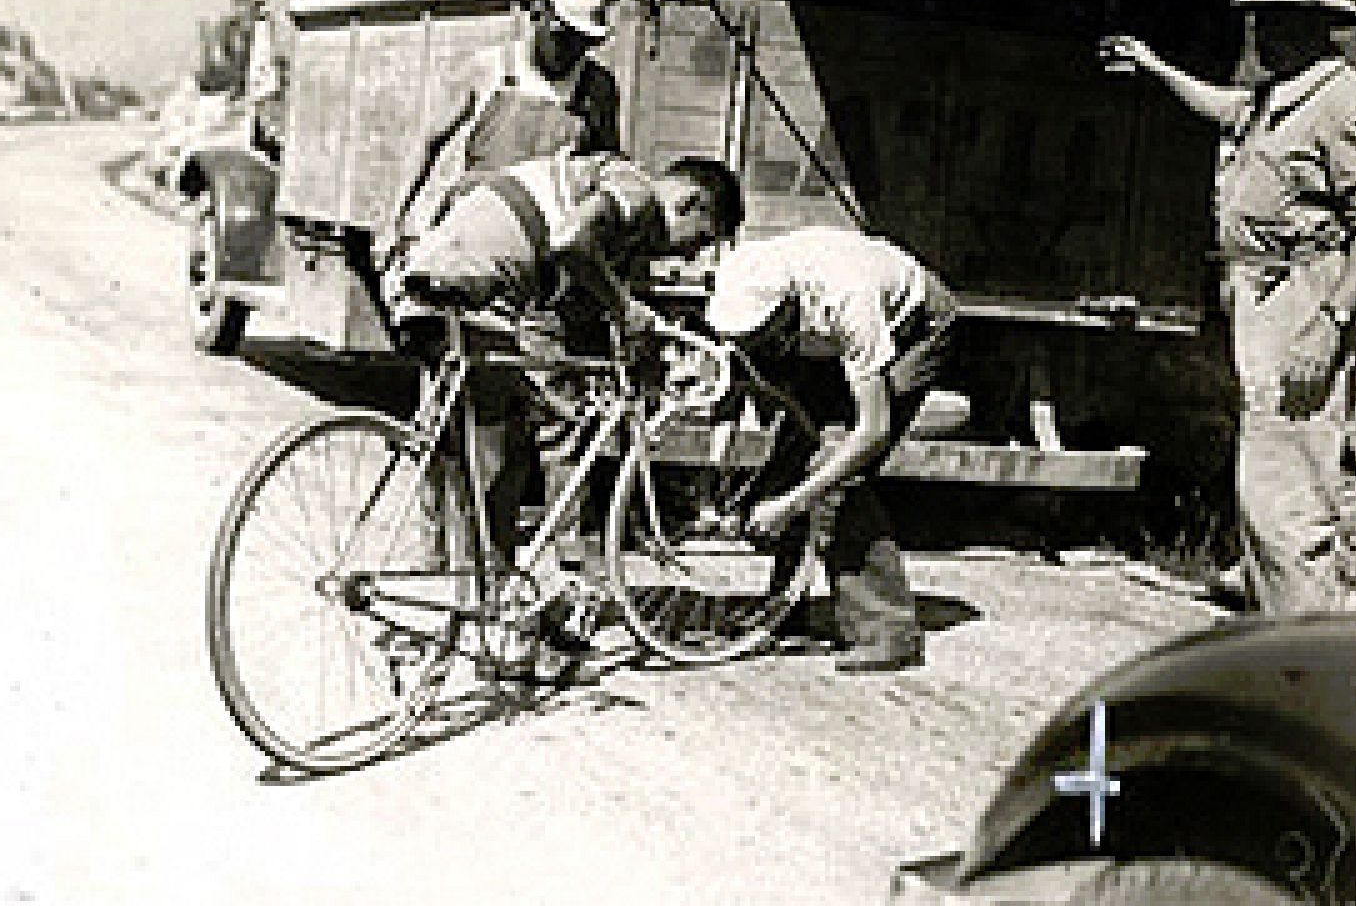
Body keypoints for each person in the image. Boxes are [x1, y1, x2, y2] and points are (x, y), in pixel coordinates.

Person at [1100, 0, 1356, 614]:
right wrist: (1156, 68)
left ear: (1319, 26)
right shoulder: (1282, 95)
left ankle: (1306, 675)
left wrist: (1328, 324)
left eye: (1279, 19)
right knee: (1264, 489)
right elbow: (1226, 107)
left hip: (1311, 298)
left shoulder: (1344, 104)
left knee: (1286, 502)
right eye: (1258, 18)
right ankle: (1279, 649)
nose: (1263, 33)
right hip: (1274, 300)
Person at [387, 147, 744, 674]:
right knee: (551, 439)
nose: (692, 258)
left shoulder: (594, 192)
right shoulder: (636, 190)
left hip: (431, 277)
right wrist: (625, 311)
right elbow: (569, 240)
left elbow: (565, 286)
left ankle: (490, 618)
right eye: (703, 239)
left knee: (493, 459)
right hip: (478, 290)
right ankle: (518, 620)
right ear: (690, 203)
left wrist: (621, 328)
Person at [706, 226, 957, 673]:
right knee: (790, 456)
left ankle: (888, 631)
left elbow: (873, 431)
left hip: (913, 327)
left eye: (762, 337)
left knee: (836, 470)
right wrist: (720, 478)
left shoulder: (846, 300)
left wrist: (790, 505)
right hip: (829, 328)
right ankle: (783, 611)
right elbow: (742, 391)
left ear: (786, 312)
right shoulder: (749, 279)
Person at [382, 0, 622, 266]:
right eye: (564, 37)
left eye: (582, 41)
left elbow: (607, 168)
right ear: (539, 13)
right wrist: (395, 220)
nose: (573, 51)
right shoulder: (488, 69)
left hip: (544, 248)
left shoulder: (597, 88)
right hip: (471, 234)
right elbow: (424, 144)